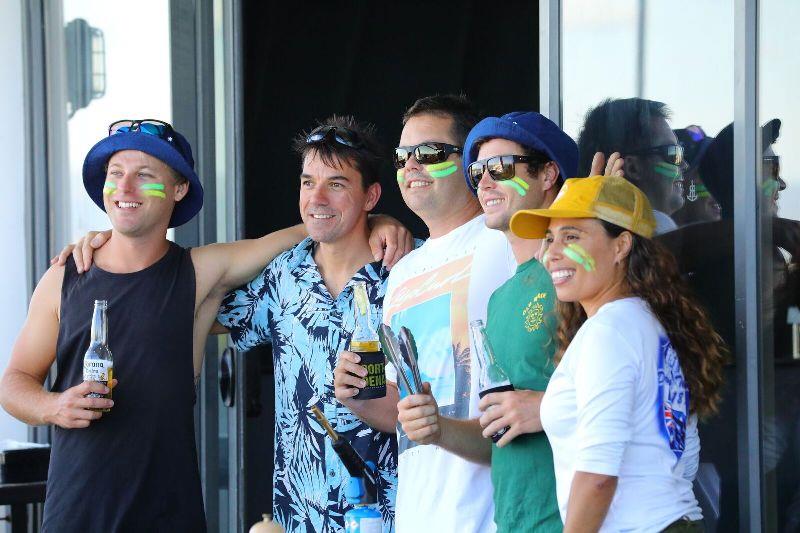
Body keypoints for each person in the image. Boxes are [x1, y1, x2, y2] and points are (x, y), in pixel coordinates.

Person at [3, 119, 411, 532]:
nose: (126, 188)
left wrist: (377, 220)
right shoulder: (66, 275)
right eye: (116, 174)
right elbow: (13, 381)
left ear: (178, 189)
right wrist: (53, 406)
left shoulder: (199, 278)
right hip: (77, 517)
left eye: (145, 176)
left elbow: (313, 228)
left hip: (181, 517)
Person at [333, 94, 515, 532]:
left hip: (492, 513)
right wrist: (357, 395)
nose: (411, 166)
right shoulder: (403, 270)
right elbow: (403, 412)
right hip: (420, 513)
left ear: (470, 162)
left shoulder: (507, 237)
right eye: (402, 156)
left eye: (430, 153)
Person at [509, 175, 727, 532]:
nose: (552, 253)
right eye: (549, 238)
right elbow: (683, 462)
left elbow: (597, 476)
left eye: (572, 237)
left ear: (621, 245)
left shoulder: (609, 333)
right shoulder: (645, 324)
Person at [215, 116, 400, 532]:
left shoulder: (408, 270)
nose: (316, 196)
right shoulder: (283, 275)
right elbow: (196, 306)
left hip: (391, 513)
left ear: (371, 196)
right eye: (306, 182)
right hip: (300, 516)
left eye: (335, 184)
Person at [459, 111, 577, 532]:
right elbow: (501, 425)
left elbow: (639, 387)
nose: (484, 183)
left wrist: (547, 408)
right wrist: (435, 429)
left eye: (501, 168)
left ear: (548, 174)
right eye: (477, 171)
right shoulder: (500, 298)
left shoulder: (577, 272)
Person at [577, 98, 686, 234]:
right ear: (632, 167)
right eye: (672, 153)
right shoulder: (661, 240)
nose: (684, 164)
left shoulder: (584, 237)